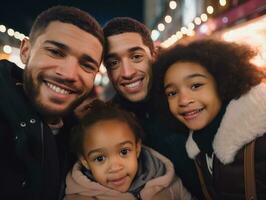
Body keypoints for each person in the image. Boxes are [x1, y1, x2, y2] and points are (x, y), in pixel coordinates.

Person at [0, 5, 104, 200]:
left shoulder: (77, 137)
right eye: (55, 52)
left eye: (87, 65)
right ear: (25, 51)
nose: (68, 74)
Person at [103, 17, 203, 198]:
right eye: (113, 63)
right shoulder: (107, 122)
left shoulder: (190, 97)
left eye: (136, 57)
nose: (127, 72)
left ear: (154, 54)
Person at [154, 39, 266, 199]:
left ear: (222, 83)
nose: (184, 100)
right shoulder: (200, 145)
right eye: (172, 93)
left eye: (196, 85)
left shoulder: (261, 140)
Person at [65, 100, 192, 200]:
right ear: (85, 161)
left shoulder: (167, 182)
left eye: (124, 152)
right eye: (100, 158)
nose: (115, 167)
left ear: (137, 148)